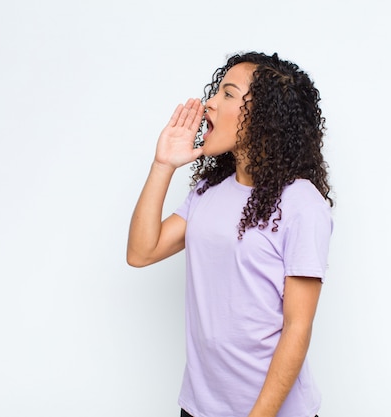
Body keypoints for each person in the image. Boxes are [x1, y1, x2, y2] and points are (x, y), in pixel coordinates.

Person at [127, 51, 333, 417]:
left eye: (227, 94)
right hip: (200, 407)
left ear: (263, 118)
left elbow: (296, 328)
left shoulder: (302, 203)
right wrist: (163, 165)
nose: (209, 102)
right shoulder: (208, 191)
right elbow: (142, 252)